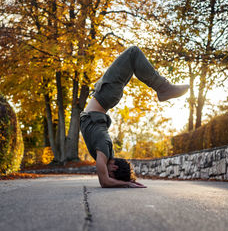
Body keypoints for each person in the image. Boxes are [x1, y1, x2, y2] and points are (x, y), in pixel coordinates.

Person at [80, 46, 189, 188]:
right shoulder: (104, 150)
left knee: (133, 55)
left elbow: (105, 181)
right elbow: (105, 181)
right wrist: (127, 182)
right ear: (114, 168)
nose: (104, 173)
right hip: (104, 95)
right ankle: (164, 88)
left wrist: (126, 182)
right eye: (110, 174)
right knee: (133, 55)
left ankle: (163, 88)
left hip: (104, 96)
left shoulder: (104, 150)